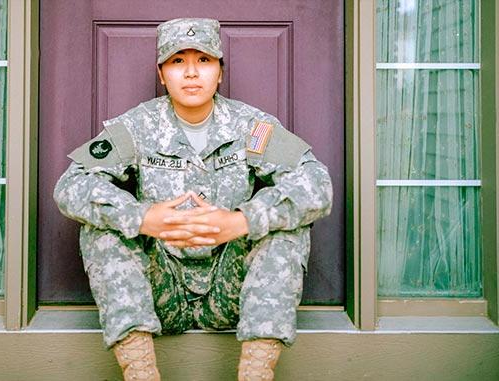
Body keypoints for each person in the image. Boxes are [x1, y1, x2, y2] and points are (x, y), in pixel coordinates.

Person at [54, 18, 332, 381]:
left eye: (203, 61)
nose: (191, 73)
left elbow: (316, 183)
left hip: (230, 288)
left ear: (220, 72)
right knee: (102, 231)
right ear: (161, 73)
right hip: (158, 290)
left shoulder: (250, 125)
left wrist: (241, 221)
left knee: (287, 231)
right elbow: (71, 184)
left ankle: (256, 374)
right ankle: (140, 373)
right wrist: (142, 217)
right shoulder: (137, 126)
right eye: (177, 61)